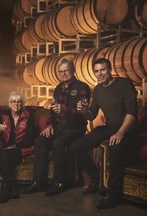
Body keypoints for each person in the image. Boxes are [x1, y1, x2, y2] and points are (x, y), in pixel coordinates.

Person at [70, 58, 139, 209]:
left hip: (128, 129)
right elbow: (92, 114)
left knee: (114, 148)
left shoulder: (124, 84)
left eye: (103, 70)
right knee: (76, 147)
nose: (99, 74)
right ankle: (97, 180)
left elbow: (132, 113)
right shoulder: (98, 89)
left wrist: (120, 132)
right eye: (96, 71)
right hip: (109, 127)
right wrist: (83, 111)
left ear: (109, 70)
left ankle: (113, 195)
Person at [21, 58, 91, 196]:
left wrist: (65, 110)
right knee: (40, 141)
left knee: (58, 143)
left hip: (75, 127)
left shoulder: (82, 87)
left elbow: (82, 115)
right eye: (60, 71)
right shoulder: (59, 87)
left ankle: (59, 182)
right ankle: (38, 182)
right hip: (58, 126)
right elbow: (53, 110)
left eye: (66, 71)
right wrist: (50, 124)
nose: (63, 74)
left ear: (73, 71)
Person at [0, 91, 35, 203]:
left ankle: (5, 189)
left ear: (22, 104)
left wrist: (15, 146)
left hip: (20, 149)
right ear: (9, 104)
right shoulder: (4, 116)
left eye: (19, 102)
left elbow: (30, 138)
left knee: (3, 153)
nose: (16, 104)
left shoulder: (28, 116)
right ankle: (12, 186)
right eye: (13, 102)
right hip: (5, 148)